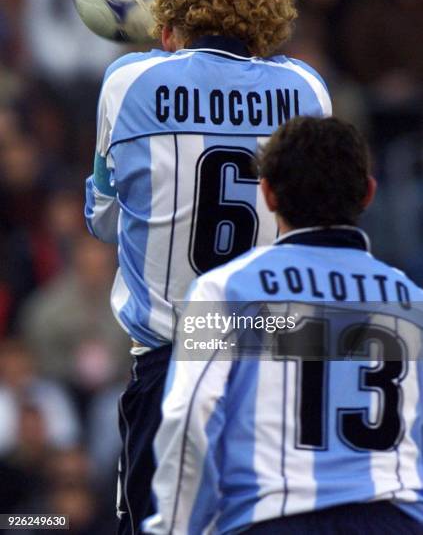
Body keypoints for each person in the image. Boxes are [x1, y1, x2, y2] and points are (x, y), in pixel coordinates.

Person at [84, 0, 332, 534]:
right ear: (268, 20)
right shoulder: (307, 89)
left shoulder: (128, 82)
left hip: (171, 368)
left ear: (173, 19)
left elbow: (102, 218)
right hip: (273, 364)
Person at [145, 116, 423, 535]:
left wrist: (172, 529)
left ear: (268, 193)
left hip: (273, 518)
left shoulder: (219, 290)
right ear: (368, 193)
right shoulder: (414, 301)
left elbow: (190, 415)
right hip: (393, 520)